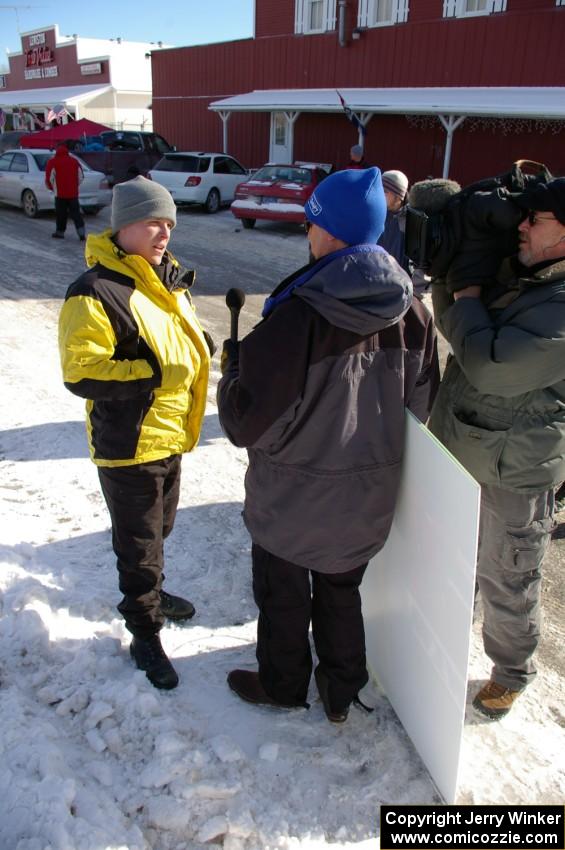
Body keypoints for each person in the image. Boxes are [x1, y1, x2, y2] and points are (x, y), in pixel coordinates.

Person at [217, 168, 439, 723]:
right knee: (342, 594)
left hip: (292, 501)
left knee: (284, 595)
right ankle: (341, 693)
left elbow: (246, 425)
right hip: (366, 499)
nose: (307, 234)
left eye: (311, 222)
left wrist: (229, 378)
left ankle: (283, 684)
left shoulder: (297, 315)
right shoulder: (413, 311)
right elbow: (420, 407)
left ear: (331, 232)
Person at [58, 176, 211, 690]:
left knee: (159, 530)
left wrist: (201, 346)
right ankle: (144, 631)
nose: (163, 231)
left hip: (169, 436)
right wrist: (151, 374)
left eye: (168, 222)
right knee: (139, 546)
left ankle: (154, 592)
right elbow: (82, 372)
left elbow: (170, 342)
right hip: (129, 446)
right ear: (123, 226)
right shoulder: (94, 291)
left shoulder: (166, 280)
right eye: (152, 221)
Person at [428, 177, 565, 719]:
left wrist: (466, 296)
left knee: (508, 575)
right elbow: (455, 325)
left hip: (516, 471)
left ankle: (511, 672)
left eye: (538, 219)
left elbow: (489, 364)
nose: (523, 226)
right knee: (449, 560)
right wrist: (459, 270)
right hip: (463, 446)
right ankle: (436, 642)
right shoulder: (525, 276)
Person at [45, 143, 86, 241]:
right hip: (73, 194)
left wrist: (53, 188)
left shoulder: (52, 162)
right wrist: (74, 186)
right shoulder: (74, 161)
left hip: (60, 195)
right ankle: (81, 233)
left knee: (61, 214)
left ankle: (60, 232)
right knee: (76, 214)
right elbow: (81, 177)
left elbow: (49, 179)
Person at [378, 169, 411, 275]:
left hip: (400, 282)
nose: (379, 194)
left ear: (399, 196)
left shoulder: (410, 221)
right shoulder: (376, 214)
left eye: (385, 191)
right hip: (376, 278)